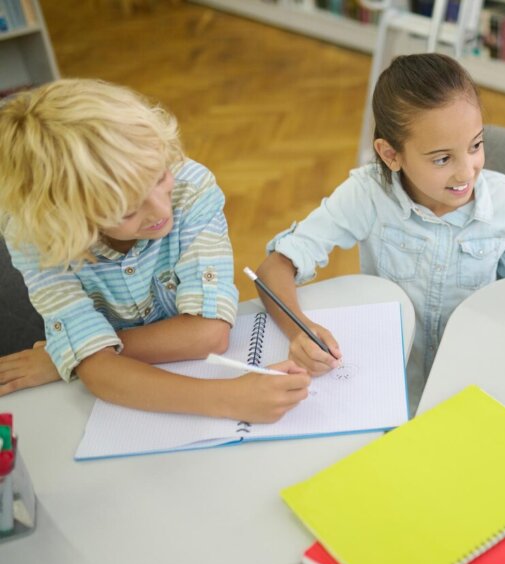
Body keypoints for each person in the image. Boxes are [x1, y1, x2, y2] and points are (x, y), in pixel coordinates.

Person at [256, 53, 505, 414]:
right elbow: (274, 268)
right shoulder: (368, 195)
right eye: (442, 159)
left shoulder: (504, 200)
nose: (466, 172)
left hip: (476, 380)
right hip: (390, 384)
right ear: (391, 154)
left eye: (476, 146)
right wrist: (300, 331)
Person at [0, 79, 311, 421]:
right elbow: (100, 374)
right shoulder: (39, 238)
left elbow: (209, 334)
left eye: (160, 177)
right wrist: (229, 398)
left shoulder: (191, 188)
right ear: (70, 220)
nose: (163, 212)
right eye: (129, 211)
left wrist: (81, 352)